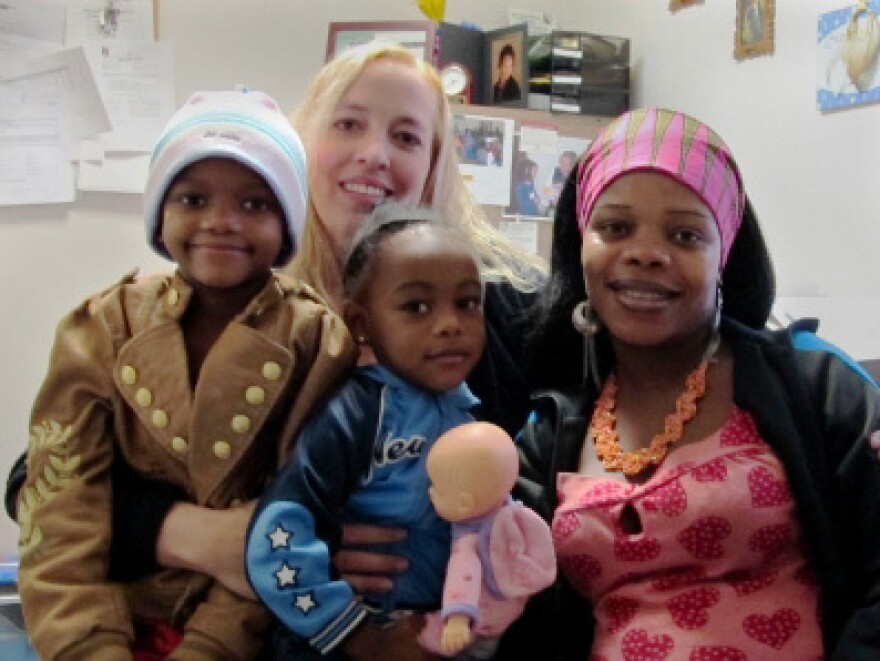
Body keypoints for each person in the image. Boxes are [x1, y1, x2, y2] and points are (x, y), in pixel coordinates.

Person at [5, 41, 545, 659]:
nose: (374, 153)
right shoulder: (216, 300)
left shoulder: (497, 313)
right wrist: (201, 534)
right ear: (304, 145)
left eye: (406, 136)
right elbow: (36, 484)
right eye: (348, 124)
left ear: (434, 164)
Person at [500, 107, 880, 658]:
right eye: (615, 227)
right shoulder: (549, 430)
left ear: (723, 255)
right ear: (581, 243)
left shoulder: (813, 382)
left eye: (684, 234)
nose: (647, 253)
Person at [14, 89, 356, 659]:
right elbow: (60, 509)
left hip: (246, 632)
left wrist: (208, 648)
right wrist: (87, 647)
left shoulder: (317, 342)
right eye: (193, 198)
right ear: (160, 214)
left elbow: (286, 520)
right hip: (106, 620)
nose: (220, 222)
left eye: (254, 205)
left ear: (288, 223)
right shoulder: (101, 326)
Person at [245, 205, 485, 655]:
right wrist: (361, 637)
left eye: (468, 303)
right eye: (416, 306)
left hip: (440, 636)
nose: (451, 323)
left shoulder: (467, 413)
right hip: (347, 640)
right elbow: (276, 536)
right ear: (361, 324)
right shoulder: (355, 415)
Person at [418, 421, 556, 659]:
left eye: (437, 488)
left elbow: (464, 577)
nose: (429, 492)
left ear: (464, 503)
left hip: (477, 618)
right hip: (509, 611)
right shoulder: (514, 512)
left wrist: (457, 618)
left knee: (431, 640)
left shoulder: (469, 540)